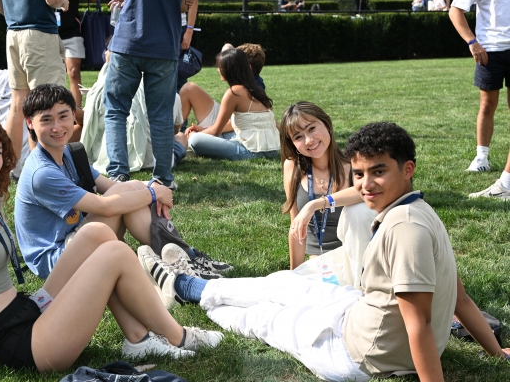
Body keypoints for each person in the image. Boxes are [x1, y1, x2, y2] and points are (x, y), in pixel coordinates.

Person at [139, 121, 510, 381]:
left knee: (264, 319)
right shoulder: (416, 208)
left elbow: (420, 325)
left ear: (408, 169)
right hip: (360, 315)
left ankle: (191, 294)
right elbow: (461, 299)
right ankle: (187, 285)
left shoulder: (405, 229)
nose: (366, 184)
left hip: (358, 354)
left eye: (378, 172)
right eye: (360, 173)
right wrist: (497, 352)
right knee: (283, 285)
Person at [0, 110, 224, 381]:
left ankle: (138, 338)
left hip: (26, 310)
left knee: (97, 235)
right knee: (115, 252)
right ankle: (179, 337)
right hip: (18, 344)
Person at [15, 84, 231, 280]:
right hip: (56, 262)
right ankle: (185, 260)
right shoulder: (41, 173)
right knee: (128, 197)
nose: (57, 126)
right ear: (29, 123)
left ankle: (185, 257)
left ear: (73, 115)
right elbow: (105, 207)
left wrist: (151, 187)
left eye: (63, 116)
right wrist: (154, 194)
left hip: (75, 240)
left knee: (131, 189)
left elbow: (110, 186)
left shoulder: (69, 153)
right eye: (46, 120)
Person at [103, 0, 196, 187]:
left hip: (127, 43)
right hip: (163, 47)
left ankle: (118, 175)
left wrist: (132, 0)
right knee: (161, 116)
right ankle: (162, 179)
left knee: (115, 111)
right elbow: (183, 5)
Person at [80, 44, 189, 175]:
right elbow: (172, 132)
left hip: (118, 159)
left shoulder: (108, 90)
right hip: (156, 162)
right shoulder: (171, 95)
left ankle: (119, 170)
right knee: (181, 137)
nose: (105, 54)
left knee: (111, 120)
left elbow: (86, 121)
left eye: (108, 50)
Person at [0, 0, 67, 162]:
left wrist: (16, 18)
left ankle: (7, 171)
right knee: (49, 103)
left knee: (17, 104)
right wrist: (63, 0)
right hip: (40, 35)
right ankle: (43, 169)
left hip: (13, 33)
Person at [450, 0, 510, 199]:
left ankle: (507, 183)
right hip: (490, 50)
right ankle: (481, 158)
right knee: (487, 105)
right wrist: (472, 42)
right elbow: (455, 10)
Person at [280, 102, 353, 268]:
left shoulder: (353, 164)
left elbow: (363, 192)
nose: (309, 140)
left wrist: (316, 204)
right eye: (298, 137)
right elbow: (296, 227)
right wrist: (295, 273)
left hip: (354, 256)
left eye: (311, 128)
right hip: (320, 262)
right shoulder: (292, 167)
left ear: (327, 125)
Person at [183, 48, 280, 161]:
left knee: (195, 140)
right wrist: (202, 129)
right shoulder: (256, 89)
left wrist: (190, 137)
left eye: (221, 67)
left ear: (230, 69)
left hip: (252, 151)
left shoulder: (234, 92)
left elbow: (215, 131)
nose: (218, 70)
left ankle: (181, 142)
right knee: (208, 136)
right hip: (270, 150)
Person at [60, 0, 98, 111]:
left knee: (74, 72)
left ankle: (76, 114)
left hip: (72, 31)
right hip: (48, 30)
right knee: (52, 75)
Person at [177, 0, 198, 92]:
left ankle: (181, 107)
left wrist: (189, 31)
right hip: (153, 27)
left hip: (178, 28)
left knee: (179, 72)